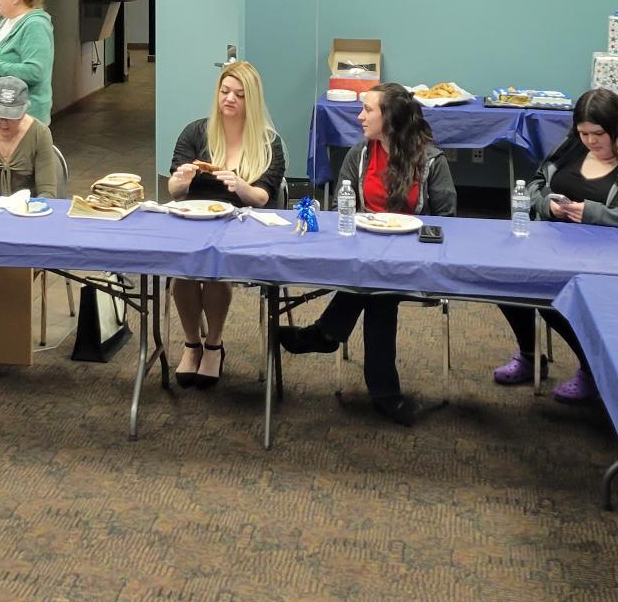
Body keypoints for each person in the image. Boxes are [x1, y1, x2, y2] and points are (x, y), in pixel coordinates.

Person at [490, 88, 618, 402]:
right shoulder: (571, 147)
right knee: (503, 277)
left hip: (611, 254)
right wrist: (547, 205)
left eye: (598, 134)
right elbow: (536, 184)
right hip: (555, 243)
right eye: (583, 133)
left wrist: (595, 214)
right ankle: (530, 355)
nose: (591, 141)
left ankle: (591, 369)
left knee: (555, 294)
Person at [277, 83, 456, 426]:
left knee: (380, 287)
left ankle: (326, 334)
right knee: (378, 284)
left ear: (390, 118)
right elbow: (339, 211)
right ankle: (384, 393)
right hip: (364, 255)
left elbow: (447, 221)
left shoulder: (431, 160)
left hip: (414, 257)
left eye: (368, 110)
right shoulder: (359, 155)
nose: (360, 116)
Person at [167, 61, 286, 388]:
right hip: (194, 220)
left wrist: (241, 186)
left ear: (253, 100)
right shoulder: (195, 132)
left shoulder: (268, 142)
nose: (229, 98)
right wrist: (181, 180)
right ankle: (192, 344)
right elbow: (174, 191)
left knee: (215, 269)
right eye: (224, 91)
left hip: (241, 223)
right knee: (184, 273)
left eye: (239, 94)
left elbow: (263, 197)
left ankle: (214, 345)